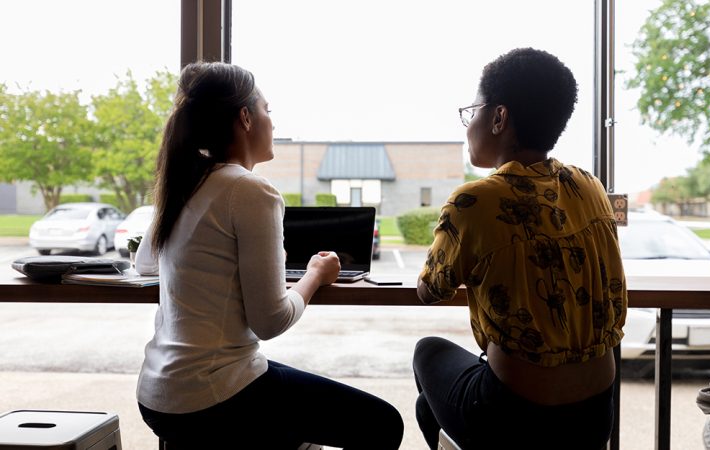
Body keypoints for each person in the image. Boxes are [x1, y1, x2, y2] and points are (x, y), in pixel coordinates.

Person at [134, 61, 403, 449]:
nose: (272, 123)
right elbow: (271, 321)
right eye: (267, 111)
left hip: (158, 393)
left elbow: (144, 263)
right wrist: (315, 274)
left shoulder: (186, 183)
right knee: (382, 424)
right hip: (213, 398)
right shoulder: (249, 191)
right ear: (245, 118)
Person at [412, 48, 628, 450]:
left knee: (428, 352)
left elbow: (430, 291)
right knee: (430, 408)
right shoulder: (590, 185)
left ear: (499, 118)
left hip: (516, 417)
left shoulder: (475, 201)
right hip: (597, 415)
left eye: (472, 110)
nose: (467, 124)